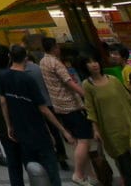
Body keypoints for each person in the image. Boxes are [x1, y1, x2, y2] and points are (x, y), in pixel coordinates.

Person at [1, 44, 75, 186]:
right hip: (38, 131)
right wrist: (63, 130)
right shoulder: (29, 78)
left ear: (10, 57)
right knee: (51, 171)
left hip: (20, 131)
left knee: (32, 169)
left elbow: (3, 102)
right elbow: (43, 109)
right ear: (26, 58)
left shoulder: (3, 76)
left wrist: (8, 124)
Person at [79, 52, 131, 186]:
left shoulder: (113, 80)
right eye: (89, 62)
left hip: (128, 124)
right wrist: (95, 129)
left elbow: (127, 99)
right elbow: (90, 109)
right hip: (110, 129)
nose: (94, 64)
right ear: (85, 66)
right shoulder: (87, 85)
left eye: (95, 60)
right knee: (124, 163)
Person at [40, 37, 94, 186]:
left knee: (76, 141)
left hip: (58, 105)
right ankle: (78, 174)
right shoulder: (56, 63)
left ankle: (89, 175)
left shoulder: (43, 62)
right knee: (84, 140)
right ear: (55, 47)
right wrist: (86, 94)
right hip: (71, 105)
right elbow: (68, 82)